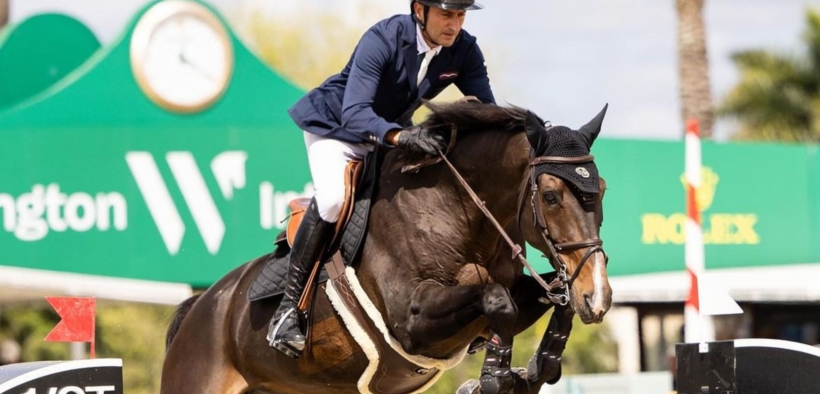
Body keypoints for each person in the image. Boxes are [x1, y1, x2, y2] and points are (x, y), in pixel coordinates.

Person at [267, 0, 496, 357]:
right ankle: (288, 309)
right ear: (419, 9)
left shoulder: (463, 50)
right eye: (446, 14)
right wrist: (402, 137)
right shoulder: (383, 39)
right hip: (336, 130)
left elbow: (488, 112)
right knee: (332, 199)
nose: (454, 24)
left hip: (390, 135)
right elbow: (356, 113)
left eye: (460, 15)